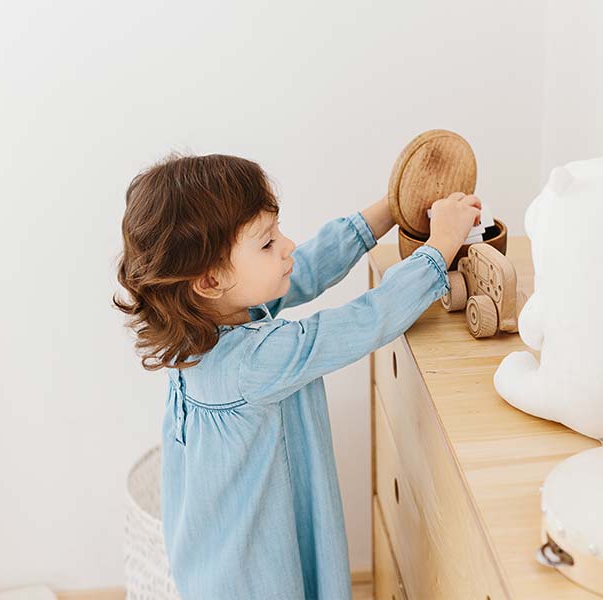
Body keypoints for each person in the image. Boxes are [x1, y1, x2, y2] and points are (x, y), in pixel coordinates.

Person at [114, 153, 480, 598]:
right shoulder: (256, 362)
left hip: (214, 563)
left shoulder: (196, 327)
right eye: (267, 243)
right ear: (209, 281)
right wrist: (439, 248)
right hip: (256, 577)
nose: (286, 245)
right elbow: (367, 320)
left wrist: (391, 207)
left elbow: (303, 269)